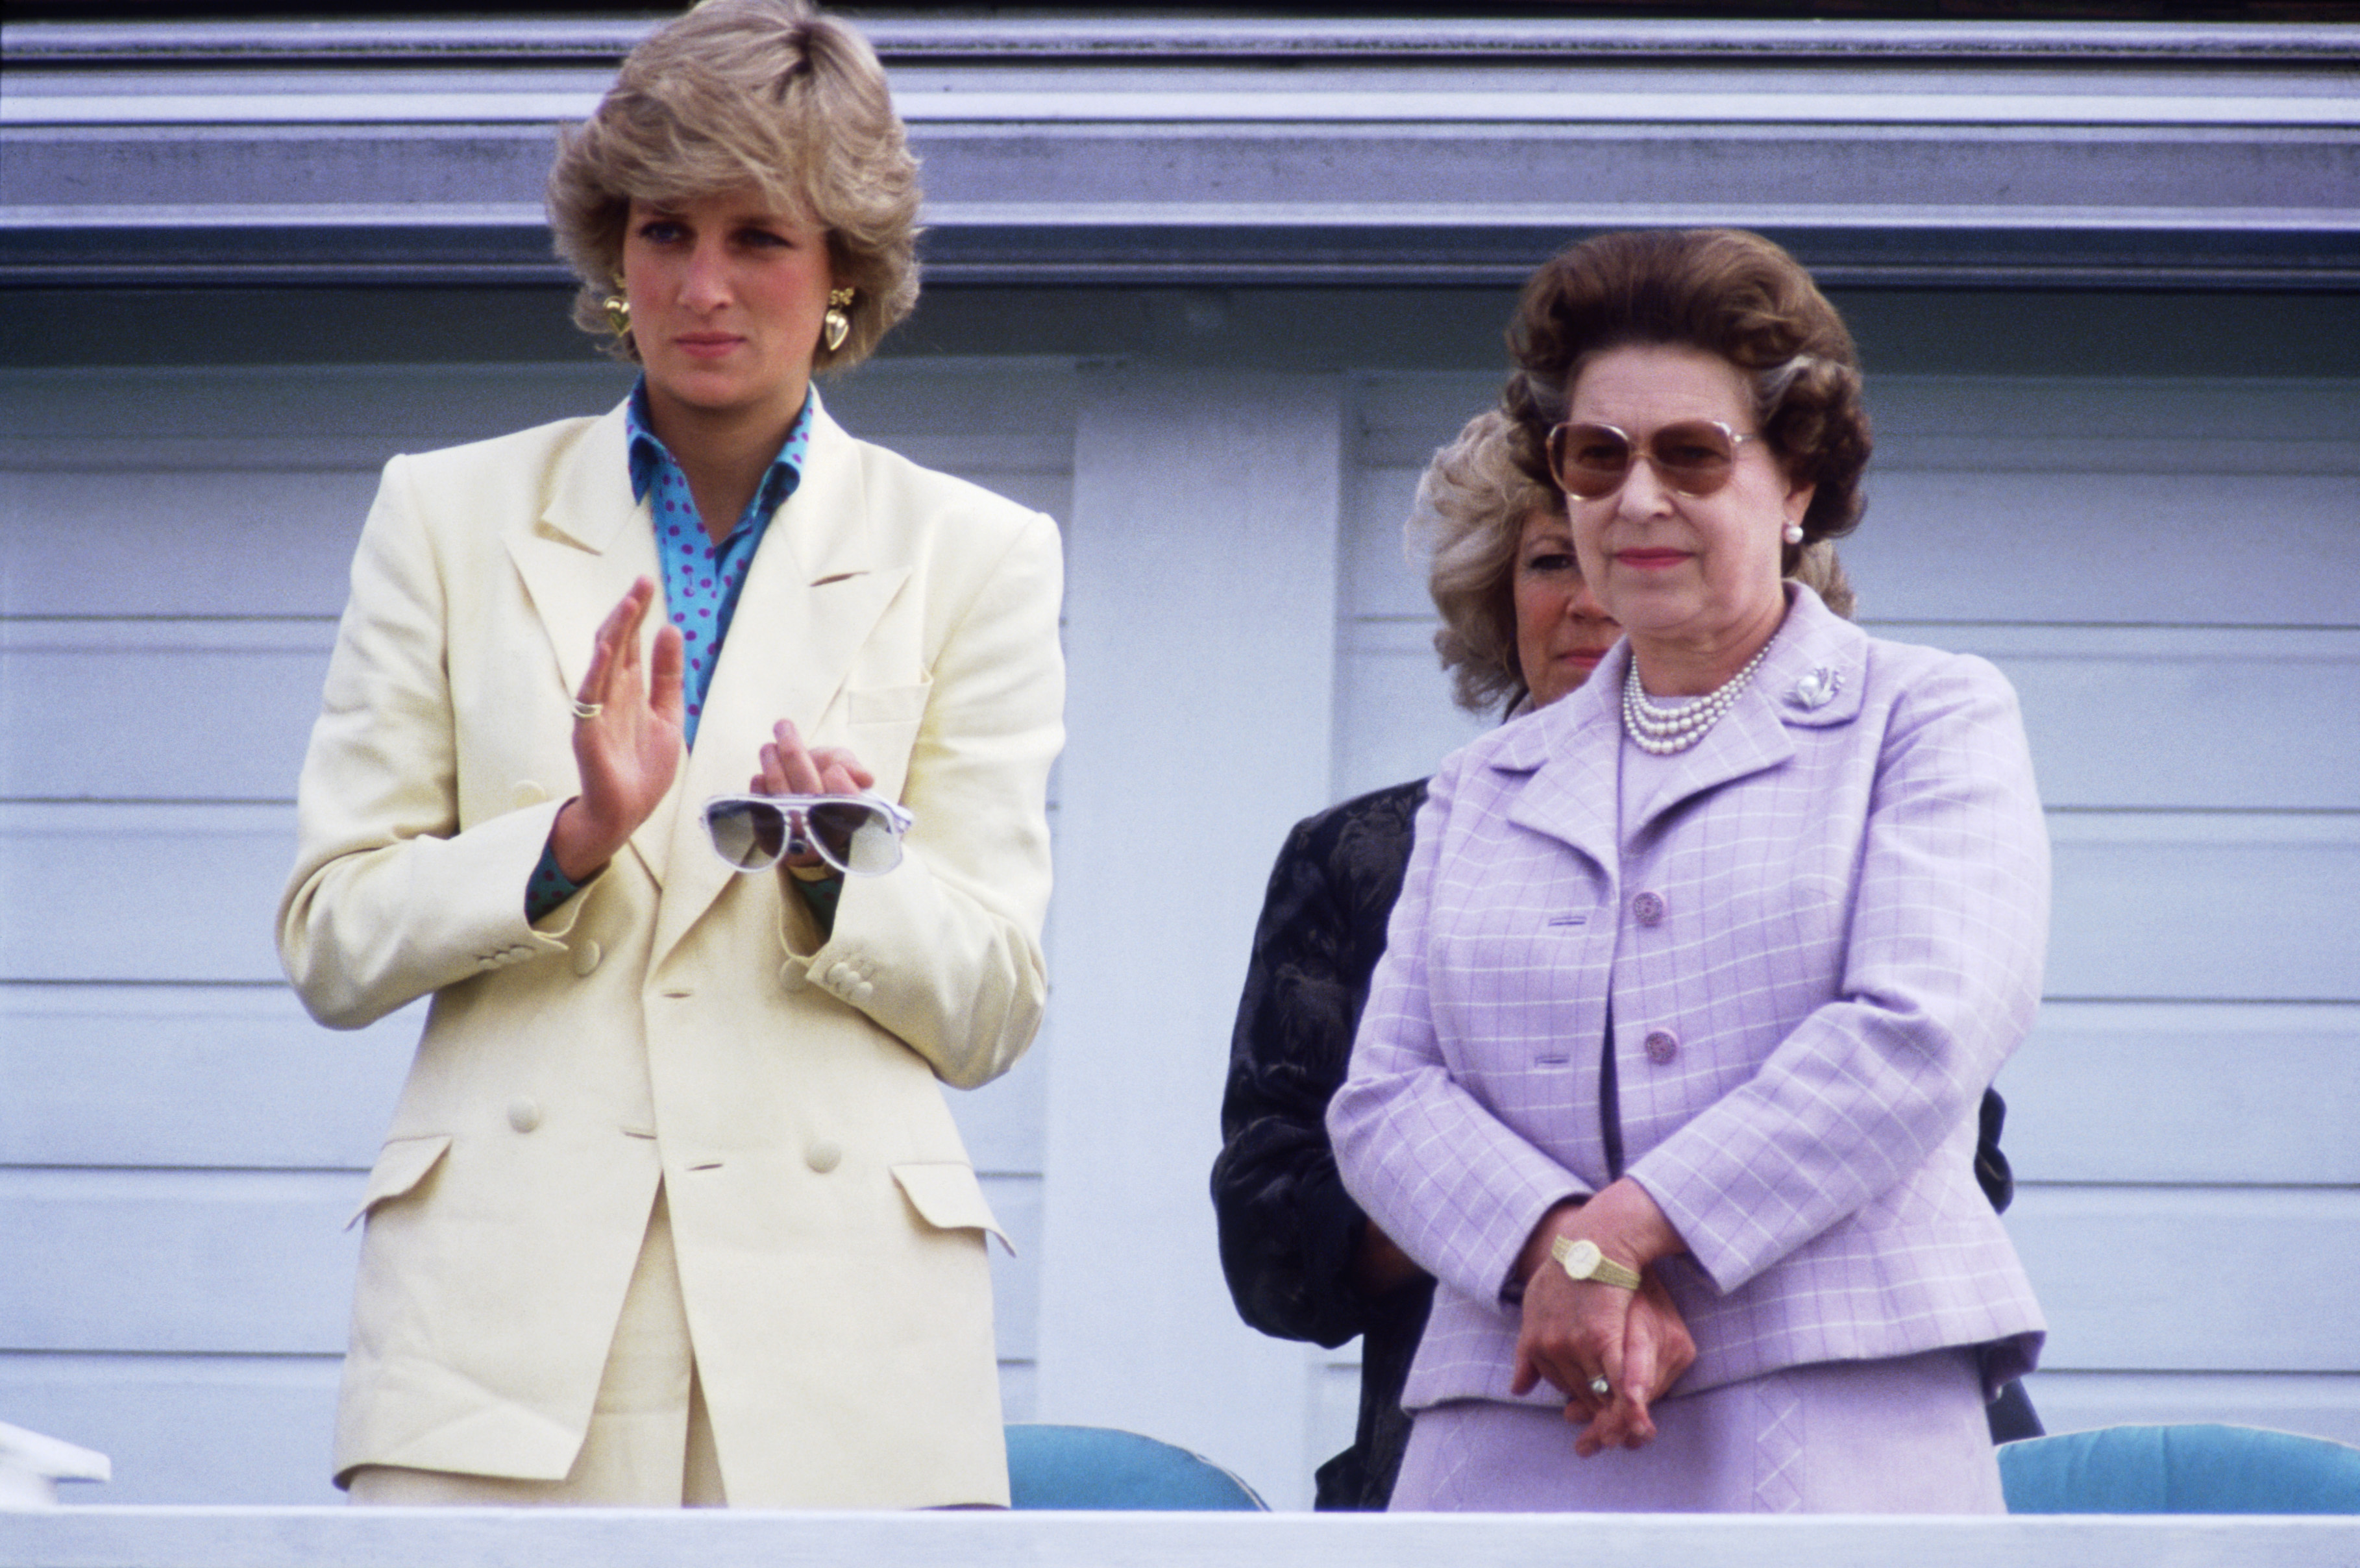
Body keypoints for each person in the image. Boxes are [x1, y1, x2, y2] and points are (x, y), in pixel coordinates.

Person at [276, 0, 1063, 1508]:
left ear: (844, 270)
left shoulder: (975, 552)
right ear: (609, 253)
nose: (703, 286)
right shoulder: (444, 515)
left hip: (843, 1364)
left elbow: (991, 1003)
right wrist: (565, 843)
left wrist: (834, 878)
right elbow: (333, 938)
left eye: (759, 234)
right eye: (662, 232)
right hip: (497, 1357)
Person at [1329, 228, 2049, 1513]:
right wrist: (1568, 1253)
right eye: (1597, 456)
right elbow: (1384, 1098)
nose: (1638, 498)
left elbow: (1919, 1031)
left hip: (1837, 1408)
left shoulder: (1927, 717)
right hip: (1515, 1412)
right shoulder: (1481, 784)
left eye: (1693, 452)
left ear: (1799, 483)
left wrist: (1626, 1231)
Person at [1214, 411, 1881, 1511]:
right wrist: (1544, 1236)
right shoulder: (1371, 854)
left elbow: (1951, 1162)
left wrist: (1642, 1224)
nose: (1597, 595)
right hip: (1479, 1460)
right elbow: (1273, 1239)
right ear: (1492, 595)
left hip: (1805, 1450)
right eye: (1550, 558)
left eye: (1641, 552)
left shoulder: (1838, 810)